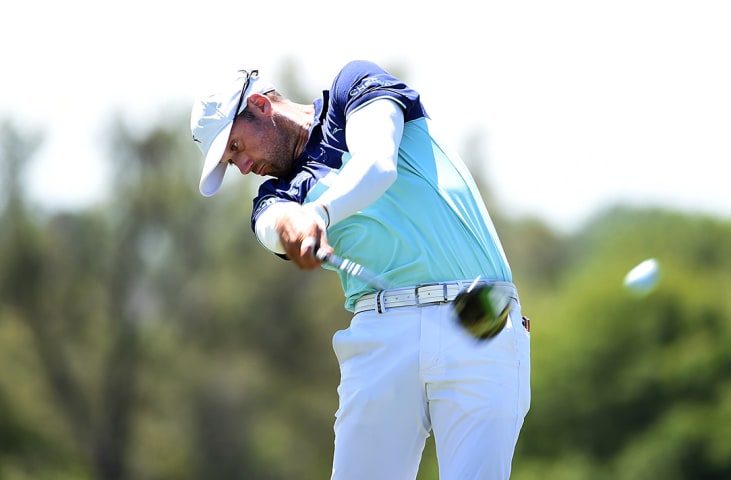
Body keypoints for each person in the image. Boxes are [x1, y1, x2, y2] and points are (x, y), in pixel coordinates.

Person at [190, 60, 531, 479]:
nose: (242, 167)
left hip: (477, 320)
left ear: (260, 106)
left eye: (236, 148)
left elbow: (378, 164)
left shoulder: (354, 89)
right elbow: (273, 225)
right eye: (229, 162)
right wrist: (290, 223)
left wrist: (318, 212)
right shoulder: (274, 195)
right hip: (380, 335)